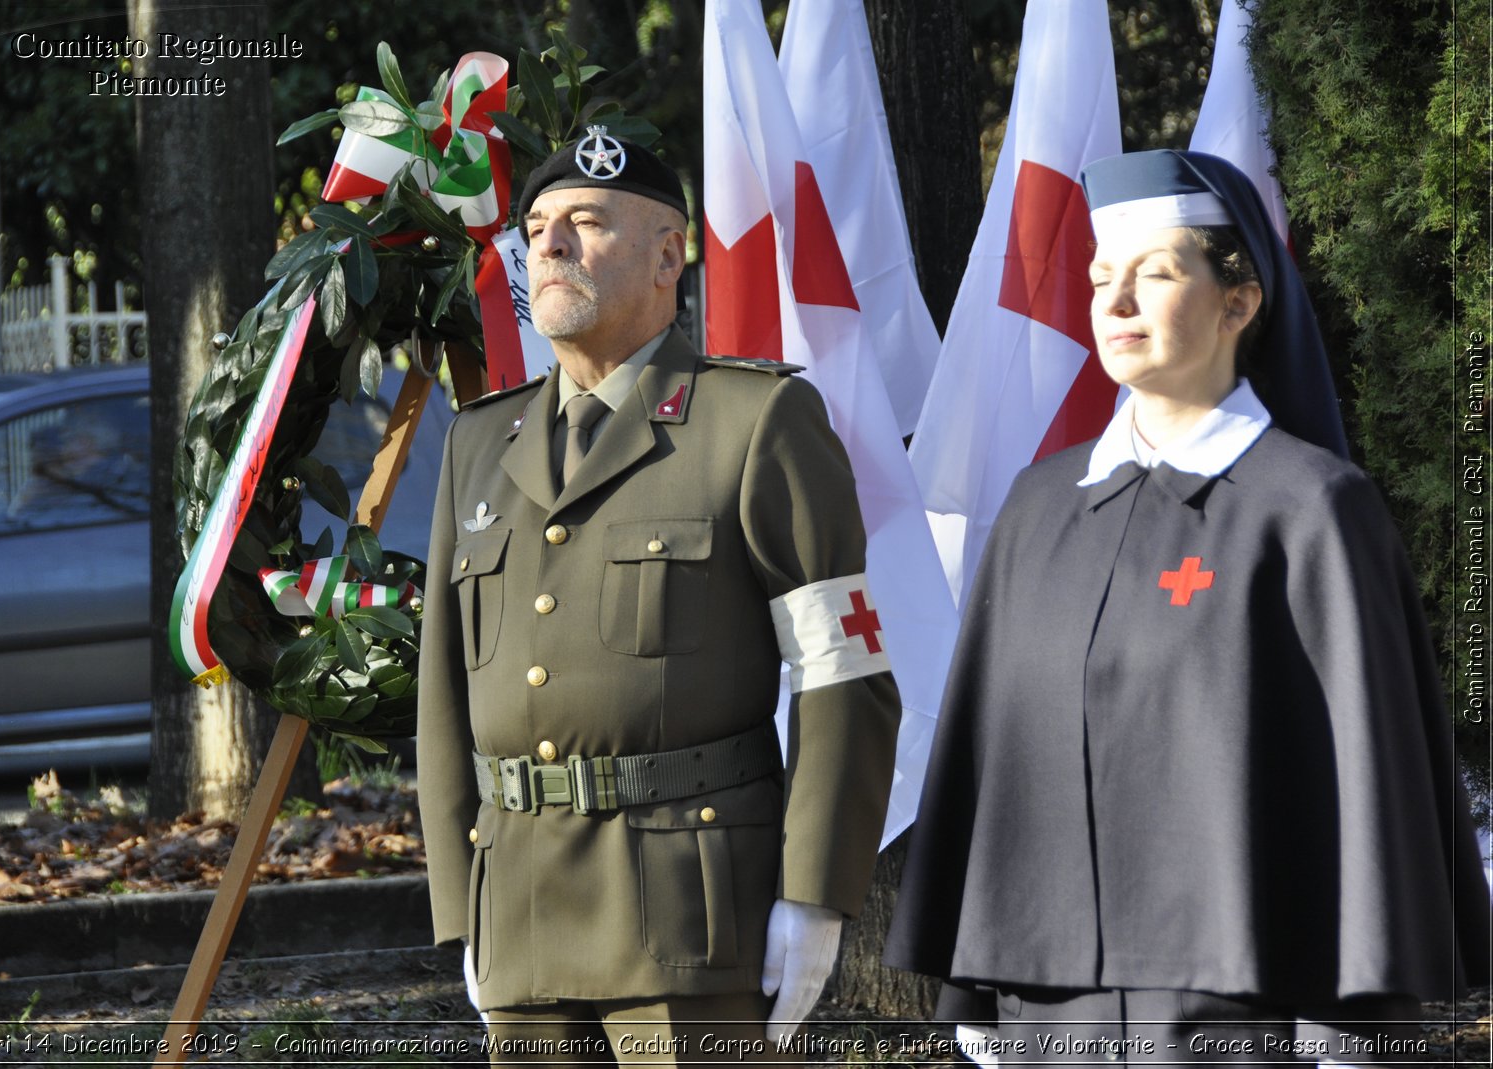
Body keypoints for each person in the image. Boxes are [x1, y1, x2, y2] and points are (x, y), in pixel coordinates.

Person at [885, 150, 1490, 1066]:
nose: (1115, 302)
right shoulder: (1037, 507)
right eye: (1099, 278)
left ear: (1240, 301)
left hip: (1240, 1021)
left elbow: (1361, 790)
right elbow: (989, 757)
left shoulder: (1312, 510)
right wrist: (973, 990)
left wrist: (1349, 1035)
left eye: (1156, 273)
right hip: (1051, 1016)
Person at [415, 128, 900, 1064]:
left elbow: (842, 672)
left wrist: (814, 891)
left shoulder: (751, 422)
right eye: (541, 225)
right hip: (517, 907)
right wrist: (458, 901)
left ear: (668, 255)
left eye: (586, 223)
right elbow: (444, 694)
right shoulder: (481, 441)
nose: (549, 244)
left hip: (691, 912)